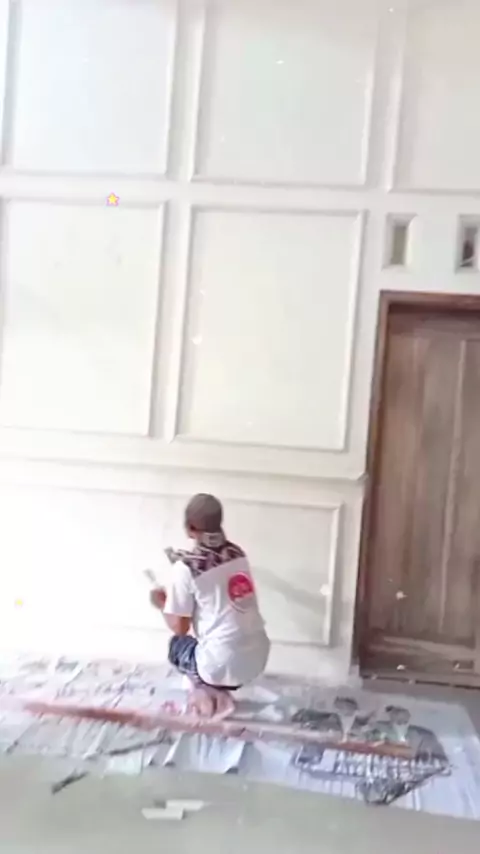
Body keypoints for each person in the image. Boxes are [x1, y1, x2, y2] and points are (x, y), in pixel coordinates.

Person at [149, 493, 270, 719]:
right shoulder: (237, 554)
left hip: (222, 664)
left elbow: (180, 628)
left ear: (189, 528)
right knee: (216, 645)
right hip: (257, 658)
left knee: (177, 646)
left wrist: (162, 603)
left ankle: (207, 692)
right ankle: (218, 682)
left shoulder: (186, 569)